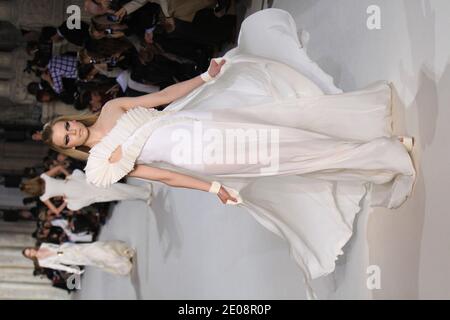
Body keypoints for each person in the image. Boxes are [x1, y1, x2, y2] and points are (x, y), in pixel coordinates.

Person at [42, 9, 416, 298]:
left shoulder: (110, 110)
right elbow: (161, 175)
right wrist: (213, 188)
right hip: (202, 158)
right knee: (293, 159)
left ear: (72, 120)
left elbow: (159, 99)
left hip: (201, 123)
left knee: (291, 134)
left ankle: (373, 151)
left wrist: (205, 78)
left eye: (67, 126)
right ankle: (379, 155)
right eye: (66, 139)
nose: (72, 132)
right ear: (69, 148)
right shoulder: (98, 167)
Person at [20, 165, 153, 215]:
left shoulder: (42, 197)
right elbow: (59, 167)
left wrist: (65, 201)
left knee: (108, 196)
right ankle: (142, 192)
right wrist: (67, 176)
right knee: (111, 187)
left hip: (72, 195)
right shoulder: (43, 177)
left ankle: (143, 195)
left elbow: (56, 211)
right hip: (74, 182)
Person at [23, 241, 135, 275]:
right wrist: (72, 269)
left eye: (30, 249)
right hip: (69, 258)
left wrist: (65, 248)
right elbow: (57, 265)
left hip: (70, 248)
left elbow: (57, 247)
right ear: (30, 257)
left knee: (95, 248)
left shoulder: (43, 245)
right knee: (94, 259)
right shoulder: (42, 262)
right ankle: (121, 263)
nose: (32, 252)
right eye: (29, 254)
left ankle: (122, 253)